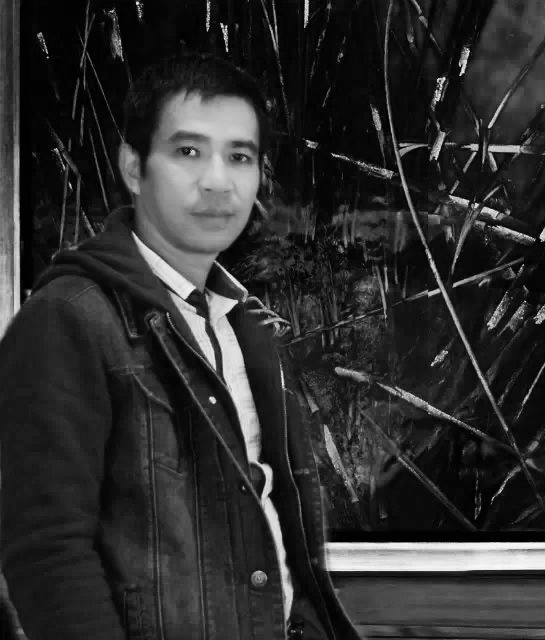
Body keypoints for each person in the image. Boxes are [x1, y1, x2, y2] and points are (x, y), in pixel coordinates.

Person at [0, 52, 361, 640]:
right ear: (134, 168)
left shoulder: (242, 324)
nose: (217, 181)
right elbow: (47, 550)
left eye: (239, 156)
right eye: (189, 151)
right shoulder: (68, 319)